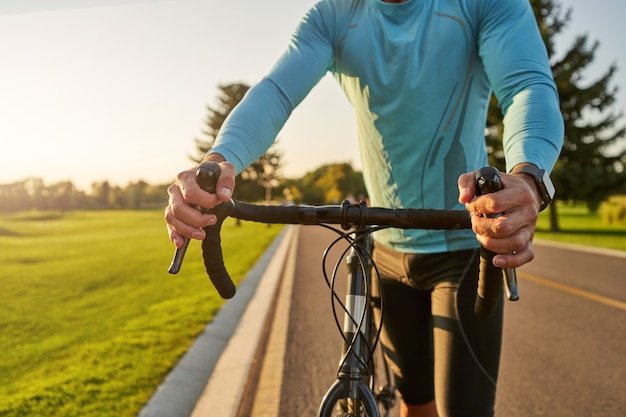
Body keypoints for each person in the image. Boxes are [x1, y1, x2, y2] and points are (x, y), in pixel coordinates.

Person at [165, 0, 564, 416]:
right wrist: (216, 162)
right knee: (416, 407)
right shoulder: (334, 14)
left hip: (464, 249)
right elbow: (277, 91)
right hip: (386, 252)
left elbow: (526, 86)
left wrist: (528, 176)